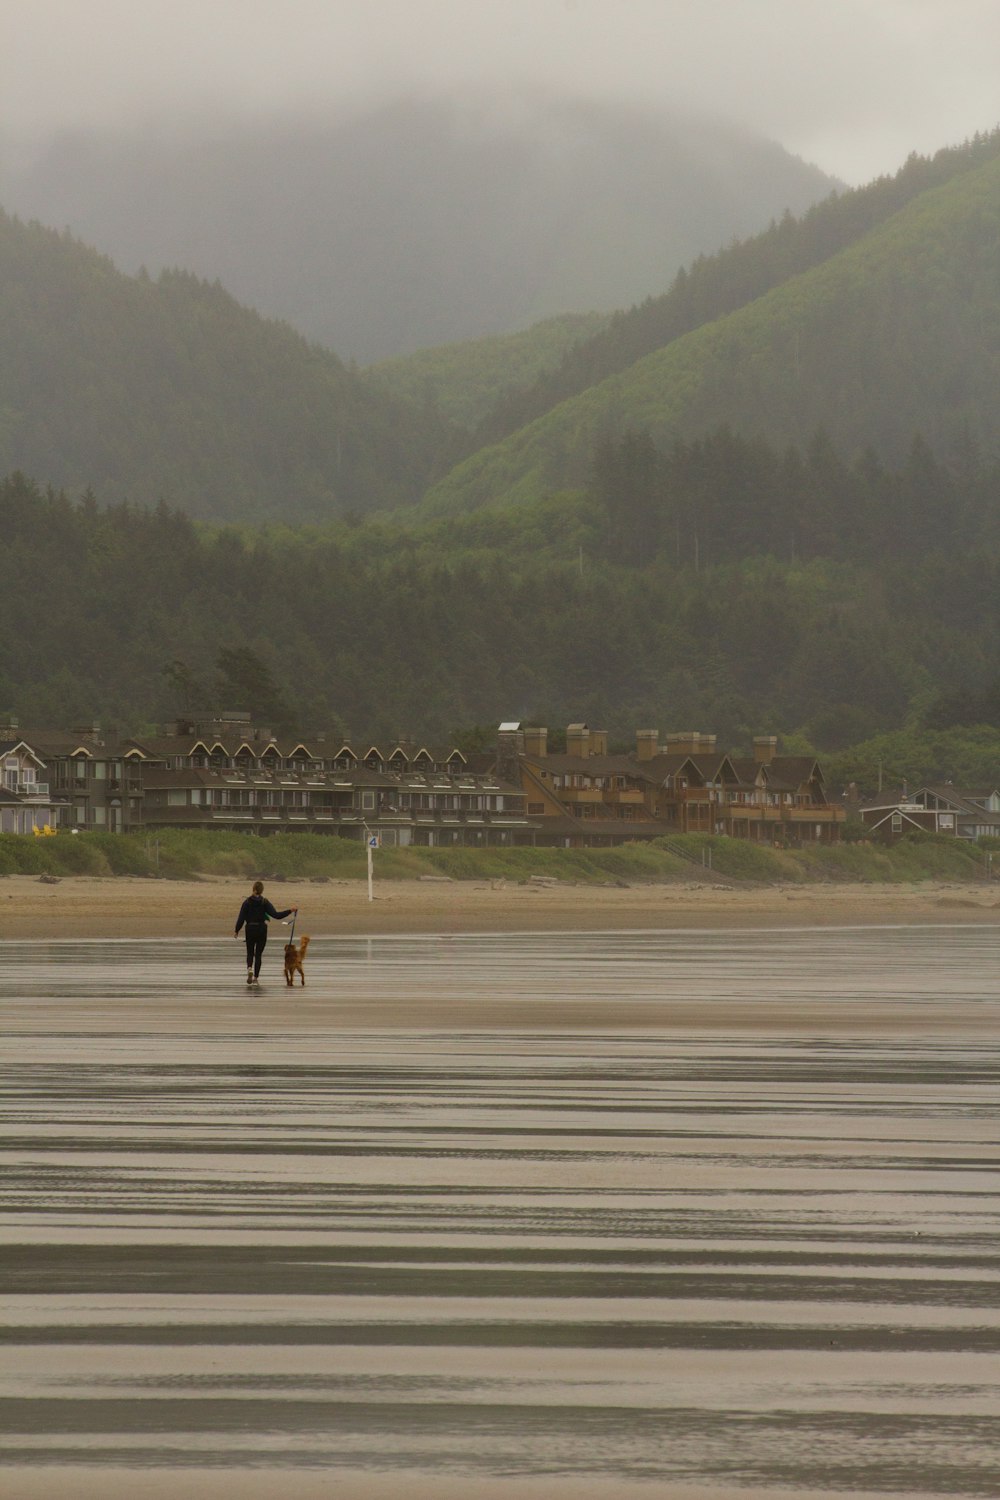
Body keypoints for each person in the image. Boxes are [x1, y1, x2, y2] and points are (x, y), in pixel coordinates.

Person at [234, 880, 296, 986]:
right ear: (262, 891)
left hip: (250, 929)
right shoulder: (265, 902)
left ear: (253, 889)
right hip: (262, 929)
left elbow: (241, 918)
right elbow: (276, 915)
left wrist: (236, 930)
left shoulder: (247, 902)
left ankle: (249, 968)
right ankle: (255, 978)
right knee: (258, 954)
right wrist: (290, 910)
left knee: (250, 952)